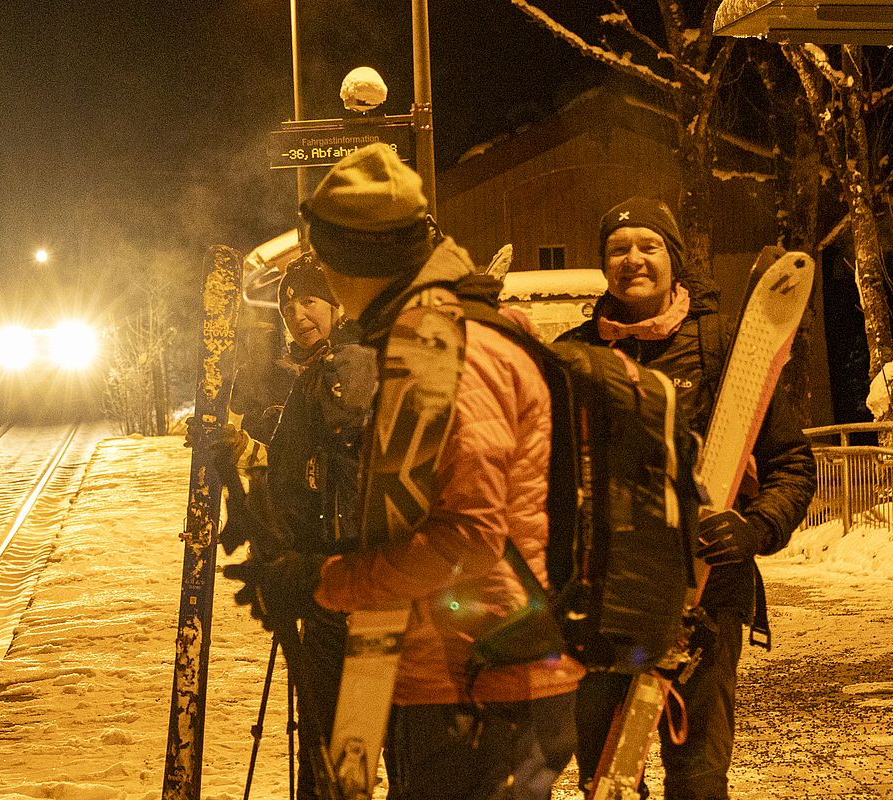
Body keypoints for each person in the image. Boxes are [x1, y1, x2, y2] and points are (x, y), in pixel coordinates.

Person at [227, 143, 584, 799]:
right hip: (451, 668)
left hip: (480, 679)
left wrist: (324, 580)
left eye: (327, 265)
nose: (323, 287)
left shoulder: (446, 352)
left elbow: (467, 538)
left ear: (349, 261)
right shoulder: (424, 337)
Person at [557, 197, 816, 800]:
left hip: (705, 595)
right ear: (603, 265)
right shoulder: (576, 356)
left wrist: (753, 529)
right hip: (601, 598)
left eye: (648, 246)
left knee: (696, 775)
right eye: (618, 248)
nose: (633, 259)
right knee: (607, 774)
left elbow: (790, 465)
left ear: (673, 258)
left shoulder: (724, 347)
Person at [264, 254, 377, 799]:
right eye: (288, 305)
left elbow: (343, 464)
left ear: (335, 304)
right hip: (327, 574)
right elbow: (297, 469)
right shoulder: (314, 373)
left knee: (337, 738)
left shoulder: (345, 366)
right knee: (337, 739)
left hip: (349, 576)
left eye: (309, 300)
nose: (297, 312)